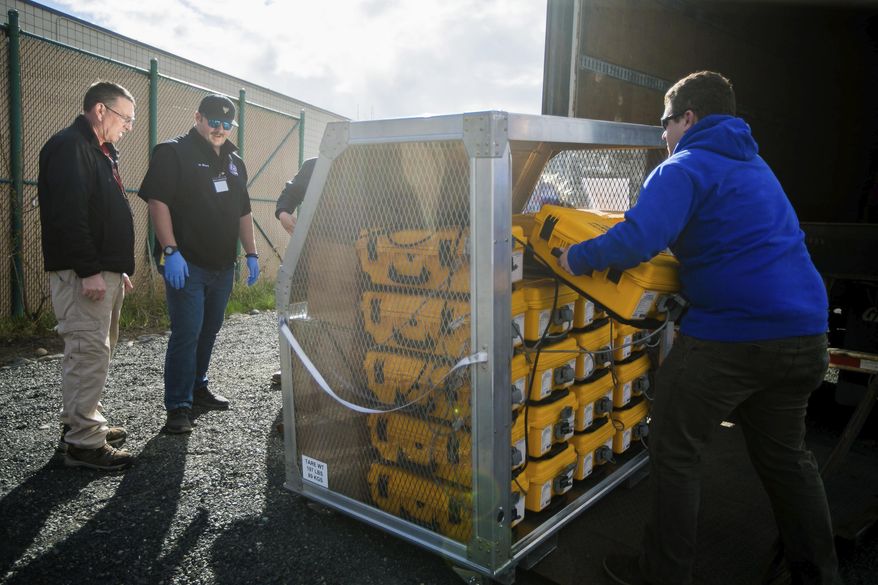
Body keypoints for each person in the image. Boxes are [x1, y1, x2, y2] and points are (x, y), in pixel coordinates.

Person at [558, 71, 841, 585]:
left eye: (664, 123)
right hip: (805, 335)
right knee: (788, 461)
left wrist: (575, 257)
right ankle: (819, 576)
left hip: (733, 339)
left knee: (675, 451)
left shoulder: (683, 166)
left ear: (688, 118)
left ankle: (662, 576)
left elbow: (636, 240)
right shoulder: (755, 166)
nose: (662, 134)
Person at [138, 94, 259, 434]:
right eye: (213, 121)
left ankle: (198, 387)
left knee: (210, 329)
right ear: (198, 118)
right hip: (187, 264)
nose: (219, 129)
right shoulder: (173, 152)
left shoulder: (236, 160)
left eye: (226, 124)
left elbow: (243, 211)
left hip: (223, 265)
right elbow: (158, 201)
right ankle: (177, 405)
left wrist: (251, 253)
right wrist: (170, 251)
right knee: (187, 332)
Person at [38, 81, 137, 470]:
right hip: (85, 275)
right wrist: (91, 269)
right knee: (86, 351)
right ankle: (83, 442)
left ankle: (82, 422)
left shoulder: (101, 150)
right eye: (124, 118)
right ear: (100, 110)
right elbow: (69, 214)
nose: (128, 125)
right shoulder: (70, 146)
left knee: (96, 351)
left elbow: (101, 212)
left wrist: (115, 267)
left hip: (102, 272)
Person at [270, 157, 317, 387]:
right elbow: (290, 193)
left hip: (349, 253)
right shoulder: (314, 166)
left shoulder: (366, 168)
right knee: (295, 305)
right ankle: (290, 364)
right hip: (307, 250)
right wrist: (284, 213)